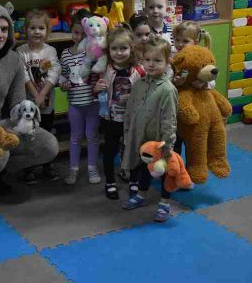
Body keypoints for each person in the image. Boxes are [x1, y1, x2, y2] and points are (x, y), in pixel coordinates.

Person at [0, 0, 59, 200]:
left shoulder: (13, 60)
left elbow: (17, 101)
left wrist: (22, 123)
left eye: (5, 29)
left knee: (49, 146)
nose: (0, 34)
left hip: (1, 123)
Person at [122, 36, 178, 223]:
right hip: (141, 138)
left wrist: (167, 144)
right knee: (142, 167)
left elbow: (170, 119)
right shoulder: (139, 84)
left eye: (157, 60)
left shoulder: (168, 89)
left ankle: (165, 203)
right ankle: (141, 194)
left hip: (160, 141)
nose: (151, 64)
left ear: (167, 62)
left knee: (164, 172)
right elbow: (131, 110)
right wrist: (128, 132)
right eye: (147, 60)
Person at [94, 27, 145, 199]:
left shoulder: (138, 70)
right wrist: (96, 88)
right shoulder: (105, 69)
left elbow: (146, 92)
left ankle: (134, 181)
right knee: (110, 151)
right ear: (108, 50)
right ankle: (110, 182)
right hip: (111, 118)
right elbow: (96, 91)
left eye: (124, 48)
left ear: (131, 49)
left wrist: (135, 97)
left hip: (132, 119)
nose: (119, 52)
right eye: (114, 48)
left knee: (133, 150)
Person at [17, 9, 62, 184]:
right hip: (27, 104)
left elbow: (54, 72)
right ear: (26, 30)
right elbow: (23, 75)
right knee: (28, 134)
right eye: (33, 28)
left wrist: (42, 94)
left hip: (46, 104)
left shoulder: (50, 51)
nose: (37, 32)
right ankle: (28, 168)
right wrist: (36, 95)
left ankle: (47, 165)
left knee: (46, 133)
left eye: (41, 28)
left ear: (47, 31)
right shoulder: (21, 52)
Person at [59, 11, 100, 185]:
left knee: (92, 136)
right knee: (75, 137)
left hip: (93, 102)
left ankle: (92, 168)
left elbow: (101, 70)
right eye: (76, 32)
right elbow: (63, 75)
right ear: (71, 32)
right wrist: (63, 83)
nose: (80, 37)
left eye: (84, 33)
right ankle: (73, 169)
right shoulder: (65, 54)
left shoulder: (95, 52)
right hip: (75, 103)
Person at [171, 21, 213, 163]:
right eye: (177, 40)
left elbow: (212, 77)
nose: (180, 44)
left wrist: (203, 83)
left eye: (185, 41)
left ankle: (192, 170)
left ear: (196, 41)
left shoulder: (202, 56)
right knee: (174, 143)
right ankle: (175, 169)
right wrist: (174, 81)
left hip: (196, 106)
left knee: (193, 144)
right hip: (175, 107)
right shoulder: (172, 56)